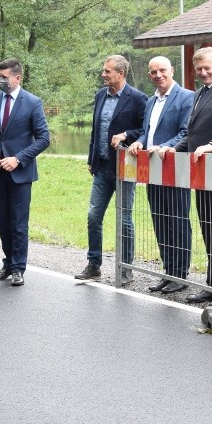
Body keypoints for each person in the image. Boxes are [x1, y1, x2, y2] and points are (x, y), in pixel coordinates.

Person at [162, 47, 212, 306]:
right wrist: (172, 147)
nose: (203, 73)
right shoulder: (200, 93)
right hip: (201, 174)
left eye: (207, 67)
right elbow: (191, 131)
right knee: (209, 228)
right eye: (199, 69)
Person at [0, 58, 50, 287]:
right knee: (2, 221)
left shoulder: (32, 102)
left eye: (4, 77)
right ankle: (7, 263)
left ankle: (18, 267)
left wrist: (18, 159)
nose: (0, 80)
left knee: (19, 223)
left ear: (17, 78)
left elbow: (44, 138)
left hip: (20, 173)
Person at [75, 55, 148, 283]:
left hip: (124, 167)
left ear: (121, 73)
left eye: (107, 71)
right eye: (103, 71)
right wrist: (91, 158)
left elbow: (145, 130)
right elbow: (95, 131)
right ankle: (94, 264)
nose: (103, 75)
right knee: (93, 216)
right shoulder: (100, 96)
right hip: (102, 167)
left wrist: (127, 135)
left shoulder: (137, 98)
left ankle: (125, 268)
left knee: (124, 218)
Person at [127, 56, 194, 294]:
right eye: (153, 72)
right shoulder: (151, 101)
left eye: (162, 70)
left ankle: (181, 274)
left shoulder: (187, 97)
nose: (158, 75)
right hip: (153, 170)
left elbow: (186, 132)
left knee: (177, 220)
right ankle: (168, 271)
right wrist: (138, 141)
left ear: (172, 71)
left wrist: (166, 146)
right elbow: (148, 132)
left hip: (175, 168)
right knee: (160, 220)